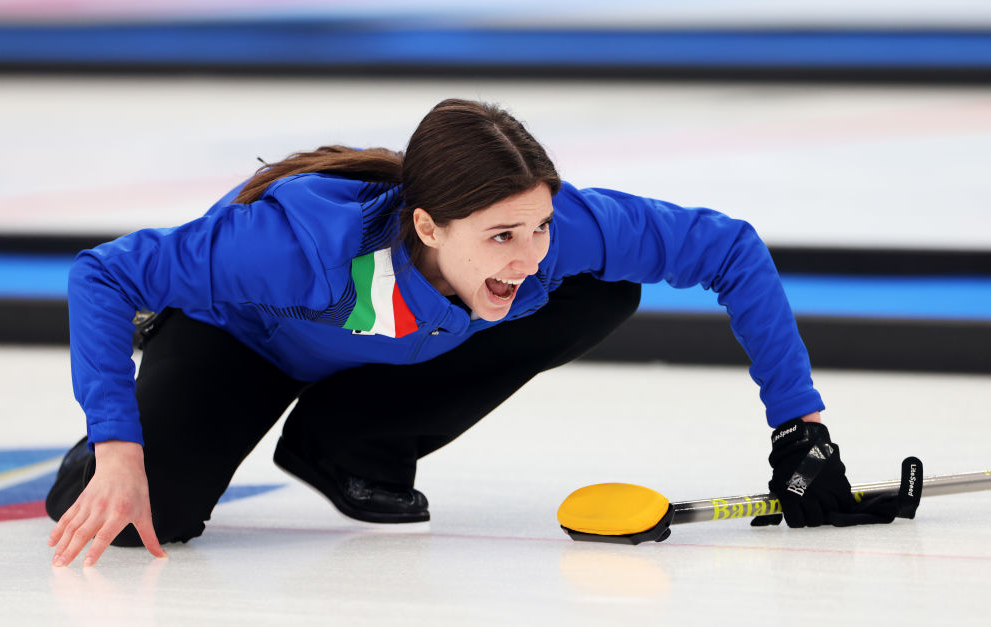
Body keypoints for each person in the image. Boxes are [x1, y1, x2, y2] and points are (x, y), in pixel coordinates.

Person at [46, 98, 891, 569]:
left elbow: (731, 248)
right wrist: (119, 446)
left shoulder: (558, 237)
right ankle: (103, 456)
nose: (528, 257)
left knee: (602, 292)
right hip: (243, 346)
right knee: (135, 521)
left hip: (388, 354)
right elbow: (104, 272)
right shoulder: (296, 247)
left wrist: (800, 429)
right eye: (501, 236)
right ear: (425, 224)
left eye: (539, 227)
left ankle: (352, 446)